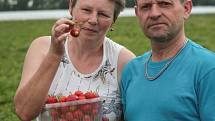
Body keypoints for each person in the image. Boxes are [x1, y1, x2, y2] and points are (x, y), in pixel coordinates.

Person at [13, 0, 135, 120]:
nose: (93, 20)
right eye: (86, 10)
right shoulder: (42, 48)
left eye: (103, 14)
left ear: (114, 20)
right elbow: (24, 112)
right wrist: (55, 54)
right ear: (71, 6)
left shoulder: (124, 62)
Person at [120, 0, 215, 121]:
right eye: (146, 7)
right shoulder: (130, 71)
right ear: (137, 13)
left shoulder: (208, 69)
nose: (154, 13)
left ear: (186, 9)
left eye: (164, 4)